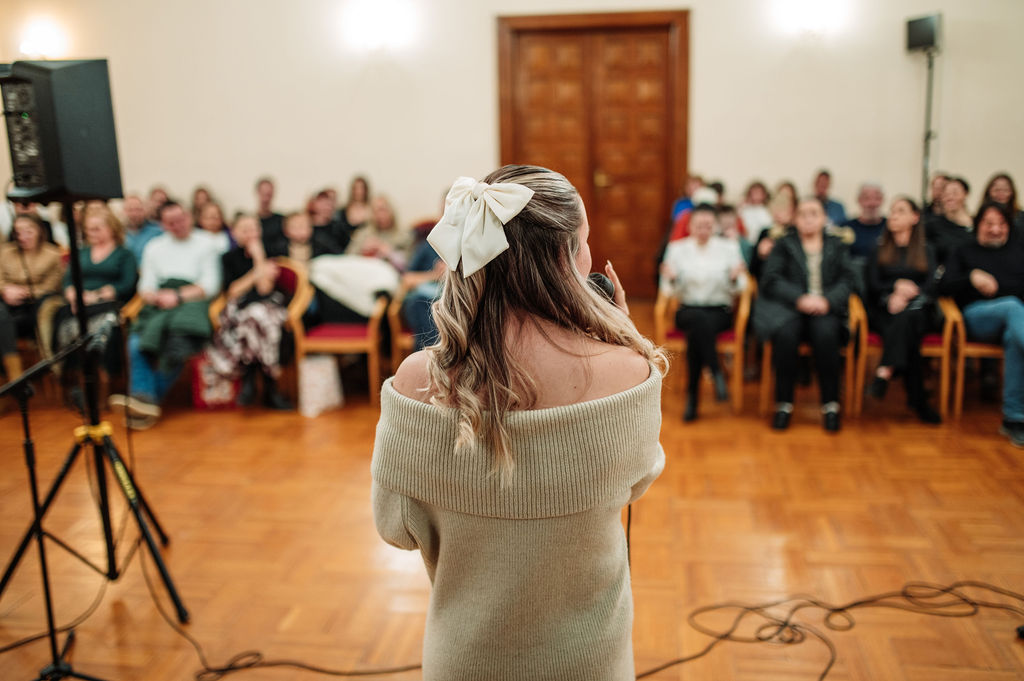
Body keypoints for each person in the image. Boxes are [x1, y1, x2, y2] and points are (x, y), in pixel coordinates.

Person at [372, 165, 666, 681]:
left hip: (465, 662)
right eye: (585, 243)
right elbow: (635, 483)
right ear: (567, 259)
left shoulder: (418, 381)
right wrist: (616, 339)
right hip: (590, 663)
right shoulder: (630, 374)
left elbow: (396, 527)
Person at [109, 201, 221, 429]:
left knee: (176, 342)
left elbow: (210, 285)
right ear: (163, 225)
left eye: (181, 219)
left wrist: (178, 296)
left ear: (189, 216)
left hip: (191, 302)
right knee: (136, 343)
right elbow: (146, 286)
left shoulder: (207, 243)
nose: (178, 225)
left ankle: (143, 401)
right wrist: (157, 297)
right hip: (159, 302)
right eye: (171, 222)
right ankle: (146, 403)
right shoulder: (155, 247)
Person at [754, 197, 856, 432]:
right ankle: (783, 404)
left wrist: (827, 300)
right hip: (790, 308)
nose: (808, 219)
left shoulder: (837, 245)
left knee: (826, 335)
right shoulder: (784, 244)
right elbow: (771, 279)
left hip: (826, 309)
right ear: (795, 219)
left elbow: (848, 279)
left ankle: (830, 405)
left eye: (814, 213)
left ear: (824, 218)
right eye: (803, 214)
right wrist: (800, 298)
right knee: (785, 336)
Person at [938, 201, 1024, 447]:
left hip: (1016, 324)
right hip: (977, 318)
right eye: (989, 224)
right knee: (1012, 306)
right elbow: (942, 287)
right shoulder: (963, 250)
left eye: (1001, 224)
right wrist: (971, 277)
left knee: (1014, 338)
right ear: (978, 225)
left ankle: (1014, 419)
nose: (995, 229)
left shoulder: (1018, 251)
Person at [660, 204, 746, 421]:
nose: (703, 230)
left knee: (697, 332)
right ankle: (716, 371)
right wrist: (673, 278)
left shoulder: (729, 248)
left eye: (708, 225)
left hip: (718, 312)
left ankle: (693, 399)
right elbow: (667, 290)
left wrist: (734, 278)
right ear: (690, 226)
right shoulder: (677, 249)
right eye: (699, 225)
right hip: (687, 310)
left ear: (715, 226)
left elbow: (742, 286)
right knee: (697, 320)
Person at [864, 197, 940, 423]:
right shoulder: (879, 249)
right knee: (909, 335)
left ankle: (885, 370)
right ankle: (918, 401)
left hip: (919, 308)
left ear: (915, 217)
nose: (893, 216)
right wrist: (894, 290)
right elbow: (872, 285)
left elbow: (932, 285)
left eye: (900, 211)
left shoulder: (926, 249)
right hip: (886, 309)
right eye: (892, 211)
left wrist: (909, 294)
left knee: (909, 318)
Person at [206, 215, 292, 410]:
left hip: (268, 306)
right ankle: (271, 387)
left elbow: (264, 289)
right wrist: (257, 272)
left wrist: (258, 257)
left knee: (257, 317)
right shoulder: (228, 258)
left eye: (253, 229)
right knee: (253, 319)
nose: (250, 234)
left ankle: (250, 379)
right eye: (244, 230)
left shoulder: (271, 253)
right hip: (241, 307)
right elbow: (233, 291)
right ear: (235, 233)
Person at [51, 207, 137, 385]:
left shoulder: (124, 254)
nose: (91, 233)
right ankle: (71, 374)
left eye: (97, 229)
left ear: (111, 228)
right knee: (61, 316)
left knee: (108, 323)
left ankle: (105, 375)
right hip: (78, 304)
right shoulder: (81, 252)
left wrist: (96, 296)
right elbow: (68, 280)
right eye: (88, 229)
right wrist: (74, 295)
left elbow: (127, 284)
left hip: (108, 303)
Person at [0, 215, 65, 385]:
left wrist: (26, 292)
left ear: (39, 231)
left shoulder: (52, 254)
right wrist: (5, 290)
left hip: (34, 308)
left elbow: (52, 285)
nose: (23, 237)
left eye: (28, 231)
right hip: (7, 305)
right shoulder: (6, 252)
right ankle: (15, 376)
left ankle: (13, 380)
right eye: (18, 232)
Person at [345, 195, 412, 270]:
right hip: (363, 270)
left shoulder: (403, 235)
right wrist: (362, 250)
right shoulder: (363, 233)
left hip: (387, 271)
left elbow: (409, 263)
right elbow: (348, 257)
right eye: (376, 211)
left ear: (391, 211)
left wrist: (388, 252)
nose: (380, 215)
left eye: (383, 210)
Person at [925, 176, 973, 266]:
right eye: (946, 194)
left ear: (965, 194)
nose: (950, 197)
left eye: (955, 193)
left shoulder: (977, 224)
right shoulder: (933, 225)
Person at [841, 182, 887, 261]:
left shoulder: (890, 227)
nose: (872, 203)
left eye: (877, 198)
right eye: (866, 198)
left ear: (882, 200)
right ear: (859, 200)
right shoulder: (845, 228)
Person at [122, 194, 164, 263]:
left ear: (145, 211)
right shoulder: (117, 234)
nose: (134, 214)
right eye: (130, 210)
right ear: (123, 212)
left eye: (138, 209)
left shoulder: (158, 231)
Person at [255, 176, 286, 247]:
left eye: (268, 194)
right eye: (263, 194)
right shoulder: (250, 221)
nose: (266, 199)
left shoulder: (281, 220)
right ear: (257, 193)